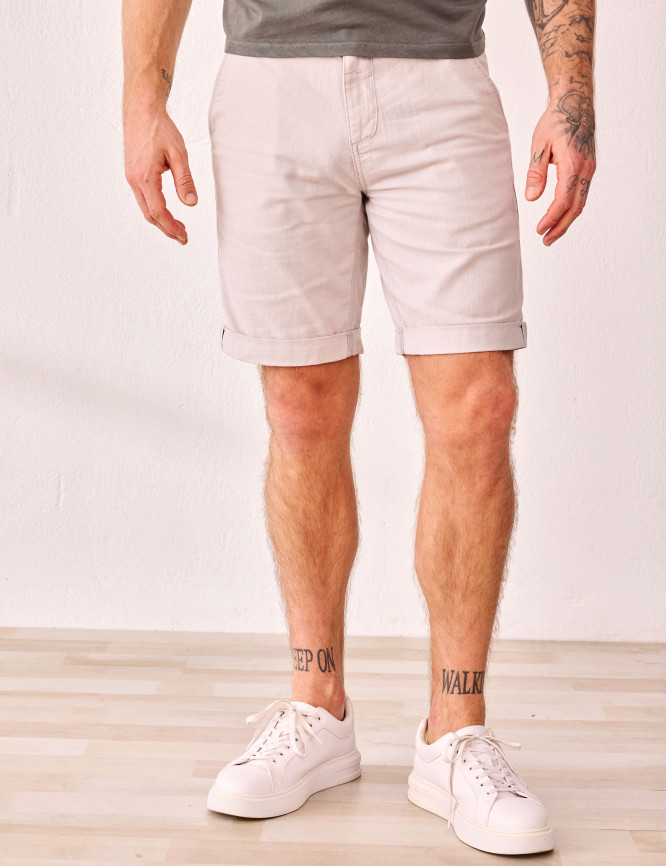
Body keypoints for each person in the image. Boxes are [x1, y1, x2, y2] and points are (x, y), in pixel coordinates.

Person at [122, 0, 596, 855]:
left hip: (440, 76)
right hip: (270, 81)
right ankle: (318, 708)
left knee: (479, 406)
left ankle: (455, 729)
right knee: (300, 406)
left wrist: (571, 93)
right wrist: (141, 96)